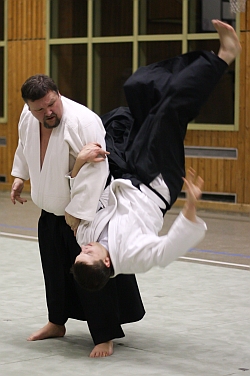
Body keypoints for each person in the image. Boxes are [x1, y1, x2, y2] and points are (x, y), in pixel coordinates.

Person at [70, 20, 242, 291]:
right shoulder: (133, 258)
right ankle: (224, 56)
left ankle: (198, 65)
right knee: (168, 111)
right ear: (106, 264)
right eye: (89, 254)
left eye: (81, 252)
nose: (86, 248)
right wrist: (190, 208)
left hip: (126, 172)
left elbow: (83, 200)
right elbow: (167, 250)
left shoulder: (85, 236)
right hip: (155, 180)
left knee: (137, 87)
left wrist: (78, 166)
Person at [10, 75, 145, 357]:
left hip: (83, 217)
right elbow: (25, 146)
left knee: (91, 274)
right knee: (55, 271)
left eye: (52, 104)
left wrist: (76, 213)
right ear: (29, 107)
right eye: (40, 109)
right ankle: (56, 322)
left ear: (58, 94)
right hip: (49, 211)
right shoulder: (28, 117)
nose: (48, 112)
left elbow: (97, 171)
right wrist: (19, 175)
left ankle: (105, 335)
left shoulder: (84, 121)